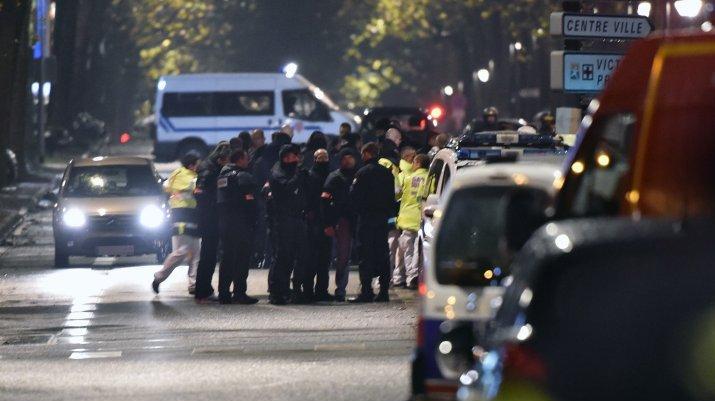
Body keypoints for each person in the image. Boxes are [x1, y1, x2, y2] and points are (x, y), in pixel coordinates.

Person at [349, 143, 396, 303]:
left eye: (363, 154)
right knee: (382, 254)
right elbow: (392, 198)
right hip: (382, 219)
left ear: (367, 154)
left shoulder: (362, 173)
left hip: (366, 219)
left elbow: (354, 197)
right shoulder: (387, 173)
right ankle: (383, 291)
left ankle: (367, 291)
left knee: (365, 255)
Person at [216, 149, 260, 305]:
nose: (248, 161)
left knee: (227, 258)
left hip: (225, 222)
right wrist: (254, 220)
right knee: (241, 259)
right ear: (240, 159)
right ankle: (239, 293)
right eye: (246, 159)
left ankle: (223, 293)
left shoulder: (222, 176)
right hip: (241, 223)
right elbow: (251, 201)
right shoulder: (243, 177)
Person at [152, 153, 201, 294]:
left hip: (189, 217)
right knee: (182, 252)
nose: (199, 166)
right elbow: (194, 188)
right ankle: (159, 276)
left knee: (196, 254)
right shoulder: (190, 177)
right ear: (192, 165)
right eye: (197, 164)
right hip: (183, 218)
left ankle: (193, 285)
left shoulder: (175, 174)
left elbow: (166, 187)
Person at [266, 144, 308, 305]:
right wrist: (298, 176)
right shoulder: (277, 172)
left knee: (295, 256)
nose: (296, 159)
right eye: (293, 156)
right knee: (282, 256)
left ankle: (287, 289)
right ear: (285, 158)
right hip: (282, 220)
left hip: (297, 218)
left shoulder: (292, 171)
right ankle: (276, 291)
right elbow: (286, 188)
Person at [194, 142, 231, 302]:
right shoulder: (209, 170)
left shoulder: (209, 167)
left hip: (209, 217)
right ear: (221, 158)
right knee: (208, 254)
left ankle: (203, 288)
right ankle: (202, 289)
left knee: (208, 254)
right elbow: (202, 193)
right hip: (210, 218)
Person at [322, 149, 357, 302]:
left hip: (352, 220)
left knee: (345, 256)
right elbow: (325, 201)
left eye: (351, 158)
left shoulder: (357, 176)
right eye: (346, 158)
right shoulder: (334, 177)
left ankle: (342, 289)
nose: (349, 161)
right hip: (340, 221)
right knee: (339, 256)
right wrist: (329, 223)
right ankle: (337, 289)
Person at [394, 154, 430, 289]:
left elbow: (397, 194)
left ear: (418, 163)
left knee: (408, 250)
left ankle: (410, 277)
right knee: (418, 251)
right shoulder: (430, 178)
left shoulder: (408, 178)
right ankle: (415, 277)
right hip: (423, 218)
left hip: (407, 218)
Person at [303, 149, 332, 302]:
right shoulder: (310, 176)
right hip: (313, 222)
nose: (323, 160)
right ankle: (308, 290)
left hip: (326, 221)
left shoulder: (330, 175)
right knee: (311, 258)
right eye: (320, 158)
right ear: (314, 159)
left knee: (324, 259)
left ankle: (322, 290)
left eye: (325, 157)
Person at [379, 128, 403, 284]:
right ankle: (385, 278)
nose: (400, 142)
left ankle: (383, 277)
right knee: (390, 244)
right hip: (391, 209)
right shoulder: (391, 162)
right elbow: (397, 189)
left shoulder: (381, 160)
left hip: (383, 209)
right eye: (399, 139)